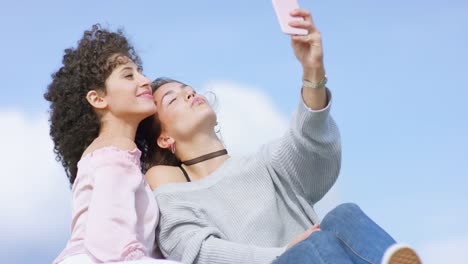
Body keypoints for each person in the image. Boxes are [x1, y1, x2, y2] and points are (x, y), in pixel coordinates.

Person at [138, 8, 422, 264]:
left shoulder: (264, 164)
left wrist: (313, 72)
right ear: (164, 139)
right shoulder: (175, 197)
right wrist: (284, 251)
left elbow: (309, 142)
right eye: (172, 100)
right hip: (291, 257)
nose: (189, 93)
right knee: (314, 245)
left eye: (188, 88)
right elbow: (199, 253)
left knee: (343, 214)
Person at [45, 24, 179, 264]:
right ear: (98, 98)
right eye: (129, 75)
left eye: (140, 72)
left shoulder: (110, 152)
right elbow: (112, 244)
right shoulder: (115, 150)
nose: (145, 80)